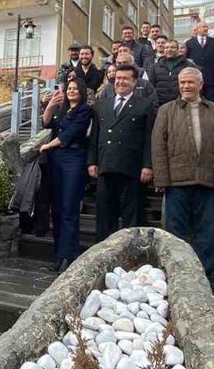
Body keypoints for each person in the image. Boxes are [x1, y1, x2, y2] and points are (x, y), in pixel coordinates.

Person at [151, 68, 214, 276]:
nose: (186, 86)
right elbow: (158, 146)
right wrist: (161, 179)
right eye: (182, 82)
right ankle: (178, 276)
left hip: (207, 180)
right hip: (176, 181)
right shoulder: (166, 110)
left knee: (206, 233)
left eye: (190, 82)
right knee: (176, 233)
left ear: (200, 84)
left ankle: (203, 276)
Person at [89, 63, 157, 240]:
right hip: (106, 166)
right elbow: (95, 136)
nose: (120, 82)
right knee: (104, 215)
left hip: (132, 168)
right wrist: (92, 161)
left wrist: (147, 166)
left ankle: (131, 258)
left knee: (132, 217)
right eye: (118, 78)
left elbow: (150, 138)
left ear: (135, 82)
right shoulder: (102, 105)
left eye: (125, 79)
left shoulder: (145, 105)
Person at [40, 77, 94, 272]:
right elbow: (46, 124)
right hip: (56, 161)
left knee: (69, 209)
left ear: (81, 91)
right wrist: (50, 107)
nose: (71, 91)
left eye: (74, 88)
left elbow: (67, 135)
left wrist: (47, 145)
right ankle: (58, 256)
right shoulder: (62, 110)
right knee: (57, 210)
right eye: (68, 88)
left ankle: (69, 256)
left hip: (74, 159)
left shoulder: (85, 110)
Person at [183, 21, 214, 104]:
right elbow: (186, 58)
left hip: (211, 76)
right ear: (197, 29)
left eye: (207, 27)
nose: (206, 29)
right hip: (195, 77)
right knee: (197, 98)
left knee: (211, 99)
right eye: (204, 27)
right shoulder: (189, 43)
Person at [152, 38, 197, 106]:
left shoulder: (188, 65)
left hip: (182, 103)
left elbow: (195, 83)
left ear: (178, 50)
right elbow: (151, 86)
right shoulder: (156, 66)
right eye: (167, 47)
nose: (169, 49)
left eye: (172, 47)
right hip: (161, 104)